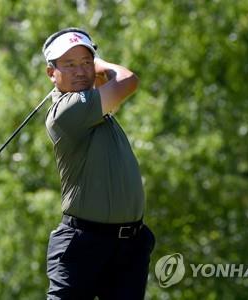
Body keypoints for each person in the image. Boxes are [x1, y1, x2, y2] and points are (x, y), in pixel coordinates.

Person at [42, 27, 155, 300]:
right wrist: (98, 62)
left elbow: (108, 86)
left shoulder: (94, 107)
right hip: (84, 245)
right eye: (69, 65)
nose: (80, 71)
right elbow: (128, 80)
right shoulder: (69, 110)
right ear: (51, 74)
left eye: (85, 63)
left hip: (128, 246)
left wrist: (94, 68)